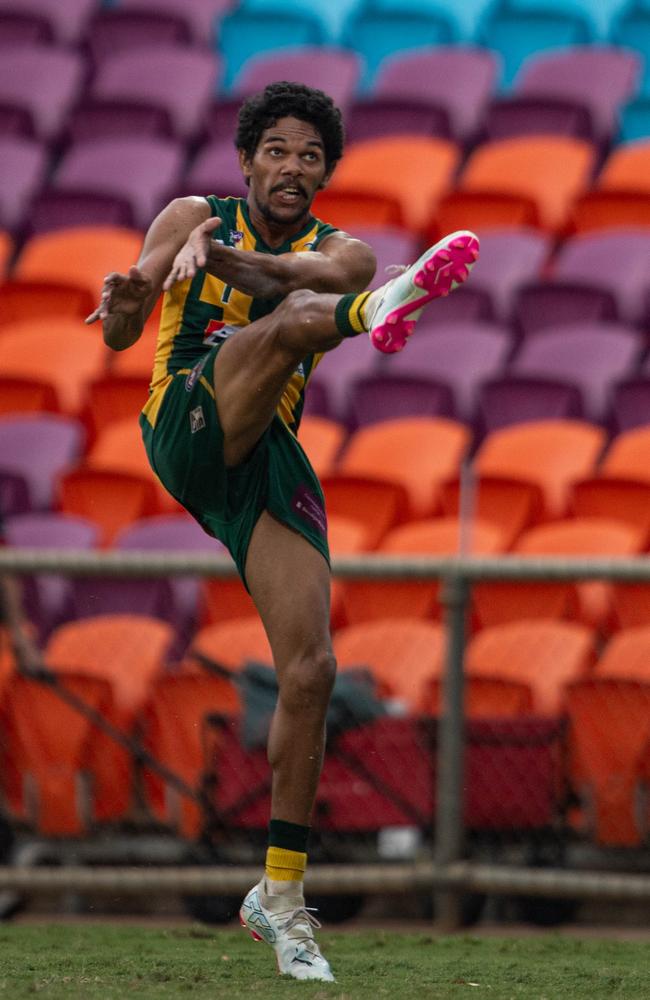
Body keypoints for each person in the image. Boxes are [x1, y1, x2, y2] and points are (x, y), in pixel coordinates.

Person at [86, 81, 479, 981]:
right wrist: (125, 296)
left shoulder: (344, 251)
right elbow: (121, 334)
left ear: (327, 171)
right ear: (247, 158)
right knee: (286, 332)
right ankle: (382, 313)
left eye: (310, 155)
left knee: (312, 671)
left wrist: (215, 260)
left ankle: (280, 897)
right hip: (185, 419)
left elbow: (271, 278)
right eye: (277, 150)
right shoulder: (188, 209)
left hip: (266, 451)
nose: (292, 166)